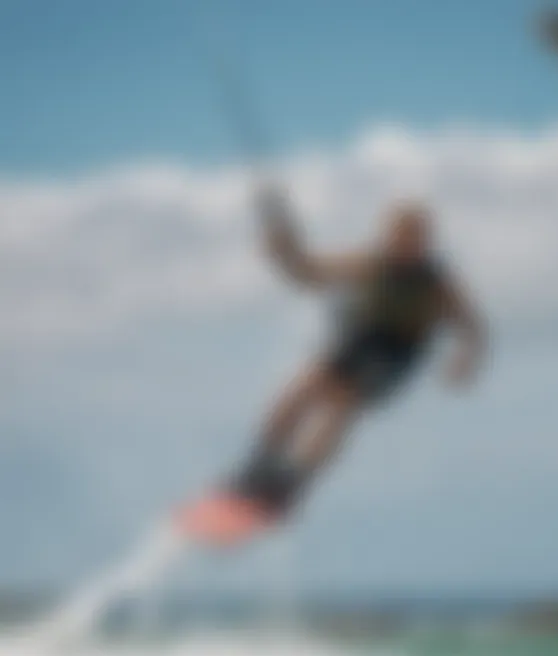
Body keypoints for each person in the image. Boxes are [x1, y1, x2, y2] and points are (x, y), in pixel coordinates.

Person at [178, 183, 488, 544]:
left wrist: (465, 361)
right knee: (299, 391)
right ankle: (257, 468)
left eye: (415, 237)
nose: (406, 244)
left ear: (425, 241)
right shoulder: (371, 263)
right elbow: (307, 274)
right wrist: (283, 251)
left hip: (396, 355)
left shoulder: (438, 284)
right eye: (399, 235)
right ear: (389, 234)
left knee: (341, 405)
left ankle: (290, 483)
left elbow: (474, 328)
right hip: (355, 340)